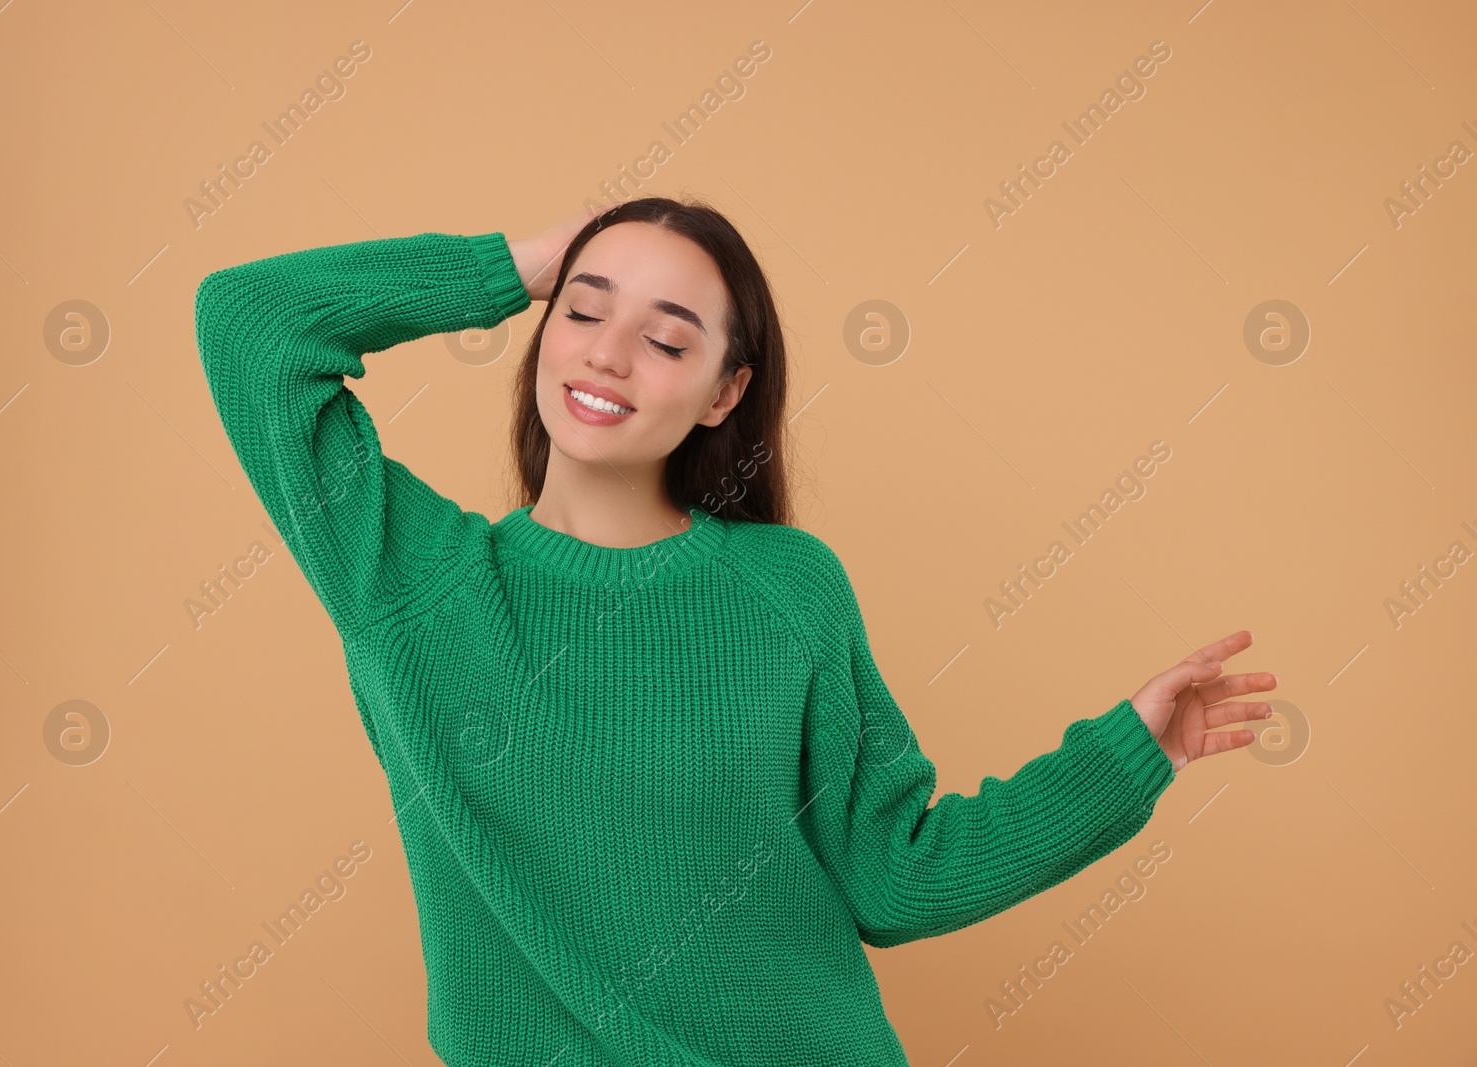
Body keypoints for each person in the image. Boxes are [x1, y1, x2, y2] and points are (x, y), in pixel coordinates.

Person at [192, 196, 1277, 1066]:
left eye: (665, 337)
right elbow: (252, 322)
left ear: (724, 394)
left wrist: (1126, 753)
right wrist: (519, 263)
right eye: (582, 311)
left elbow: (894, 877)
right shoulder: (411, 577)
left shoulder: (785, 586)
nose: (608, 352)